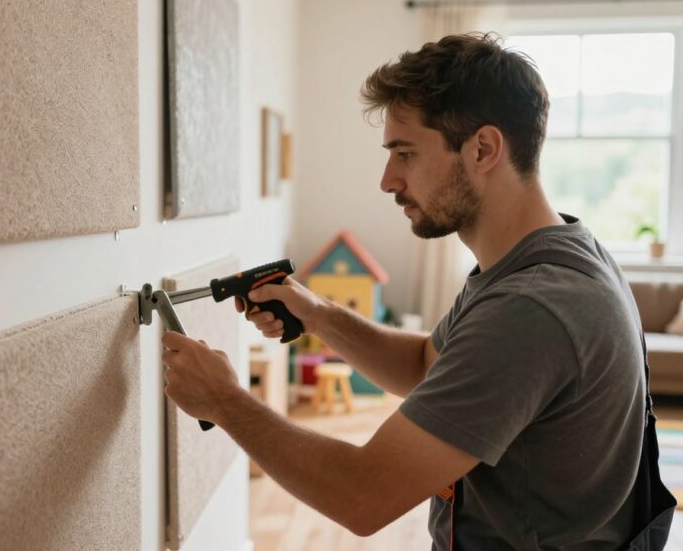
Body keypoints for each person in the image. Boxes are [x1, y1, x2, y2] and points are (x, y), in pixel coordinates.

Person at [160, 33, 674, 549]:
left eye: (405, 153)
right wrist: (316, 313)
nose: (387, 180)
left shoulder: (531, 308)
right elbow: (425, 365)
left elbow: (361, 495)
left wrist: (224, 402)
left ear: (484, 149)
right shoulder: (545, 256)